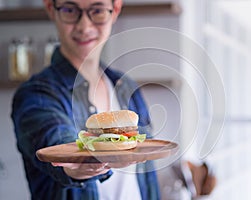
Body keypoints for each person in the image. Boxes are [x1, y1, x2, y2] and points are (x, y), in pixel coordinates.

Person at [11, 0, 216, 199]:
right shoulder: (36, 94)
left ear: (115, 8)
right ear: (51, 8)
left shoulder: (126, 87)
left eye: (97, 10)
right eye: (70, 9)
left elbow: (143, 175)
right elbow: (57, 142)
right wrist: (79, 166)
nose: (84, 25)